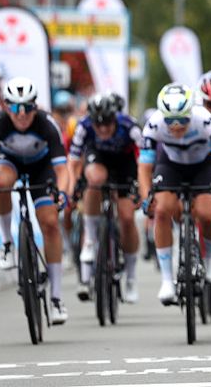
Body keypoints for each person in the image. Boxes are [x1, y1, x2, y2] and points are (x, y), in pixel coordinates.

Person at [0, 77, 70, 324]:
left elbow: (63, 171)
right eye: (15, 107)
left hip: (43, 167)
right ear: (6, 106)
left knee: (50, 223)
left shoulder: (47, 124)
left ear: (35, 105)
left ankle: (56, 298)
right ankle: (8, 243)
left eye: (27, 107)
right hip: (11, 164)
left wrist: (62, 193)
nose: (21, 114)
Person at [138, 83, 211, 305]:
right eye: (170, 120)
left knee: (207, 211)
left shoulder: (205, 120)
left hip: (204, 165)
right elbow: (144, 167)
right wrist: (146, 198)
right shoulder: (153, 124)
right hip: (171, 165)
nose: (177, 125)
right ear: (163, 115)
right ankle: (167, 279)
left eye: (182, 118)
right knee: (161, 210)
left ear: (191, 111)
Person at [67, 93, 144, 303]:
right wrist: (72, 186)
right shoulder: (84, 126)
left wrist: (142, 189)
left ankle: (130, 277)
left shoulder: (130, 127)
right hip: (98, 160)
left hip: (125, 164)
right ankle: (90, 239)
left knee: (127, 218)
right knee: (94, 179)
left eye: (107, 123)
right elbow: (73, 161)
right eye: (98, 124)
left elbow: (146, 160)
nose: (102, 129)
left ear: (115, 118)